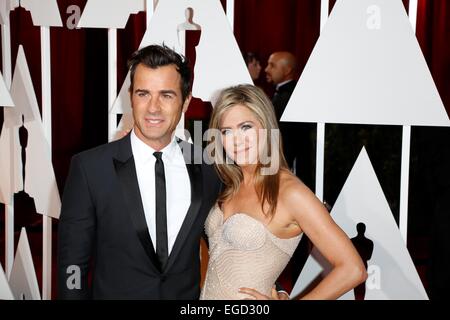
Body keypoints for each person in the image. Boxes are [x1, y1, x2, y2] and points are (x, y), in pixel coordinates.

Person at [57, 44, 222, 299]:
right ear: (131, 97)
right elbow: (72, 264)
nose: (153, 107)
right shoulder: (90, 169)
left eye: (166, 95)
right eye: (144, 94)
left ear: (185, 101)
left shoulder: (207, 167)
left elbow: (230, 240)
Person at [200, 84, 367, 300]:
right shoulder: (231, 182)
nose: (237, 140)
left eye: (246, 127)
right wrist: (280, 290)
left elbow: (353, 269)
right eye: (226, 131)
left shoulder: (290, 192)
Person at [265, 51, 315, 190]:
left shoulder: (289, 98)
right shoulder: (287, 94)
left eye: (272, 65)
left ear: (287, 70)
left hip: (286, 168)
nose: (266, 69)